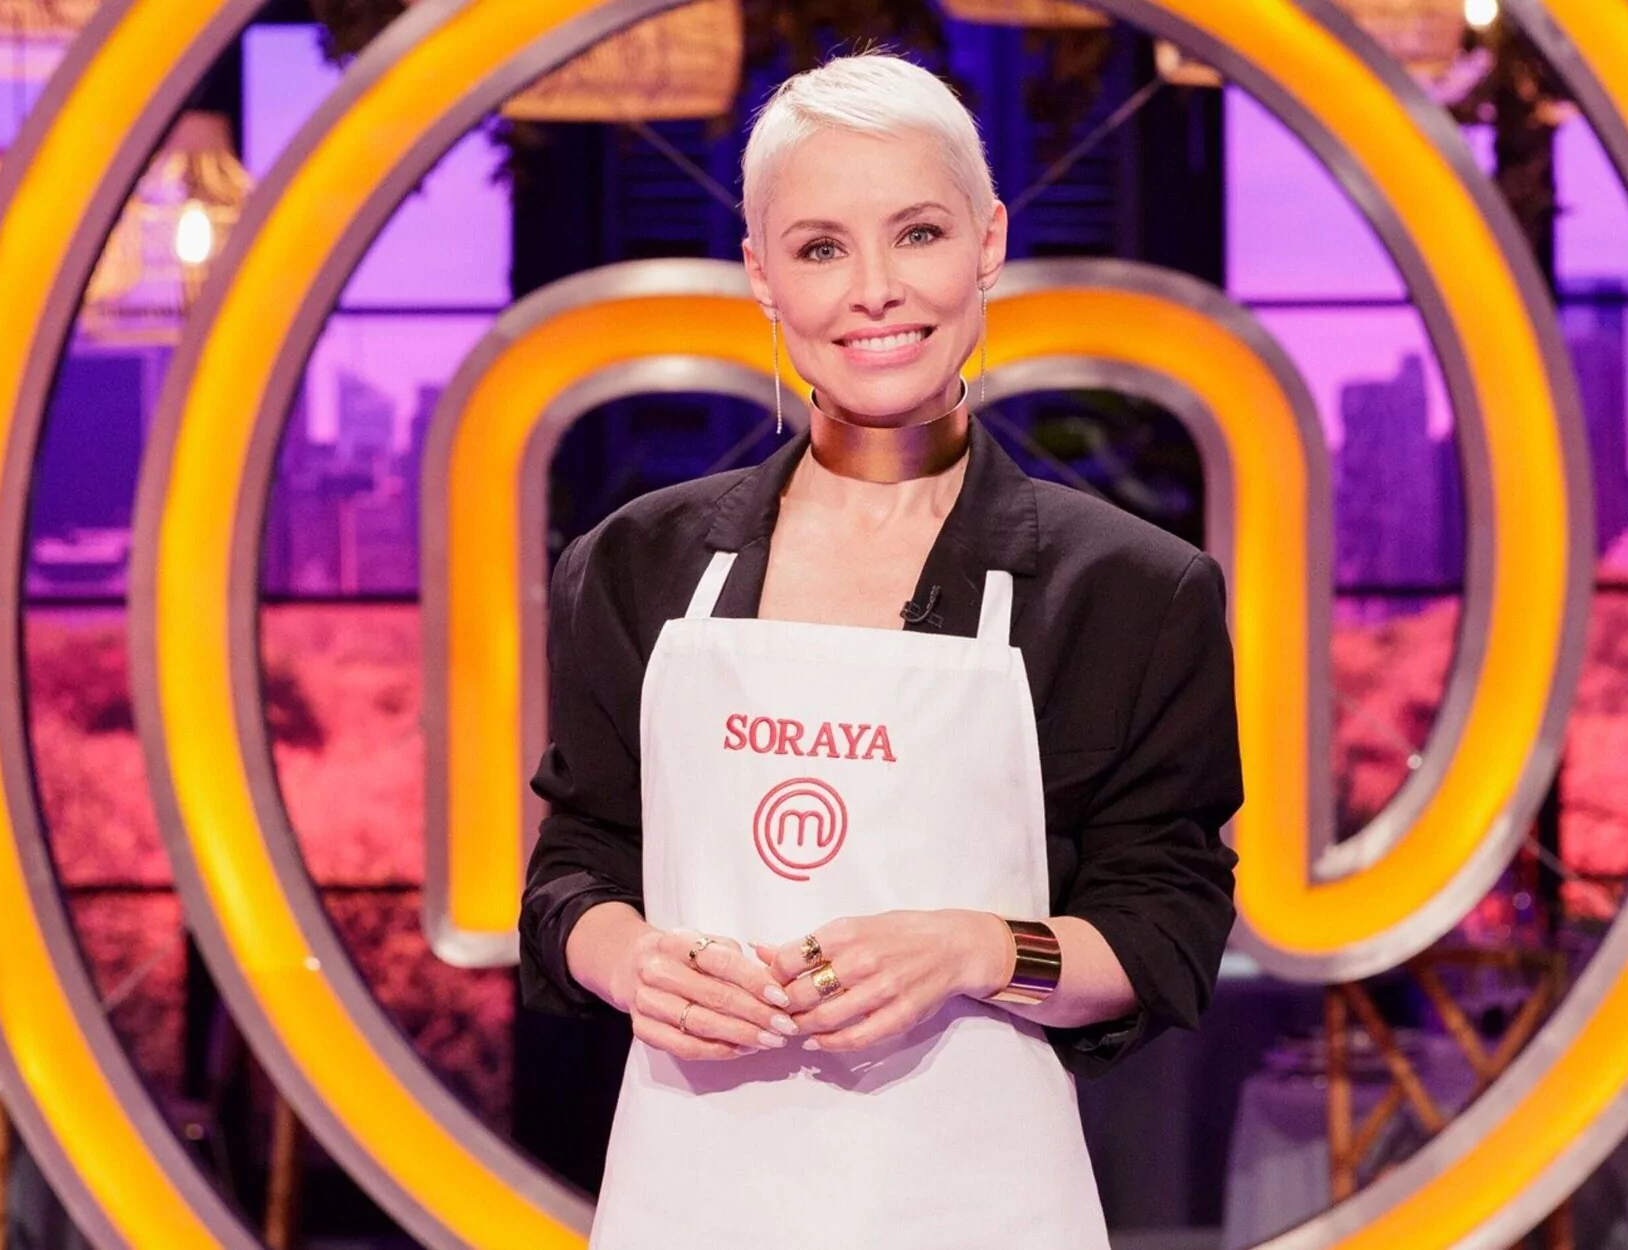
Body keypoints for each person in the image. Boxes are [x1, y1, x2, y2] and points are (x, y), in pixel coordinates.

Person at [518, 51, 1242, 1250]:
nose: (874, 291)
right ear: (760, 272)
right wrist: (630, 958)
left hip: (980, 1203)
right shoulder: (634, 565)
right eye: (819, 248)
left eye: (917, 233)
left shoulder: (1129, 590)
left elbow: (1166, 923)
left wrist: (972, 947)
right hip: (691, 1198)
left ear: (986, 240)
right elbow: (575, 866)